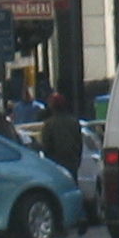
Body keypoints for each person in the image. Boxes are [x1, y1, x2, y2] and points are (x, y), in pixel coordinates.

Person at [37, 90, 88, 222]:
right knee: (74, 187)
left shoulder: (49, 125)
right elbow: (79, 142)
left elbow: (46, 146)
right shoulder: (74, 122)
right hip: (72, 160)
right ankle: (80, 216)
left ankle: (63, 220)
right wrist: (77, 159)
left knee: (58, 192)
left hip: (57, 162)